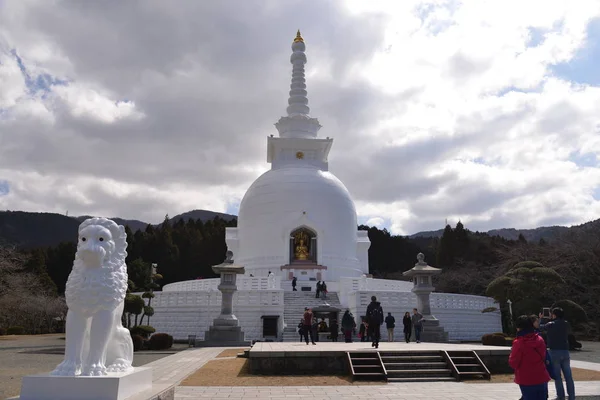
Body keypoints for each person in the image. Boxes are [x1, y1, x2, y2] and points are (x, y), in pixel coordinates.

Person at [509, 315, 550, 400]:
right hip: (541, 376)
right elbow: (543, 355)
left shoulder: (519, 343)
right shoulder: (540, 339)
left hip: (526, 379)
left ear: (519, 328)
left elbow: (513, 363)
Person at [539, 307, 575, 400]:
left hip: (554, 351)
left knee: (557, 376)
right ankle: (572, 396)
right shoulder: (566, 324)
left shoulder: (551, 324)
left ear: (554, 314)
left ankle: (561, 395)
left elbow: (540, 327)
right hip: (565, 351)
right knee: (568, 376)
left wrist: (542, 319)